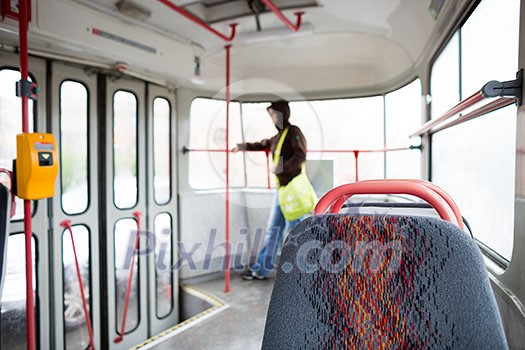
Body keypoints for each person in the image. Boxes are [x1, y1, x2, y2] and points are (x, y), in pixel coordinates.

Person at [232, 100, 309, 280]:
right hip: (283, 191)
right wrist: (242, 146)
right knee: (274, 230)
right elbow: (263, 144)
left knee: (295, 232)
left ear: (282, 114)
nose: (272, 118)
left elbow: (301, 155)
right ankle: (261, 269)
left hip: (293, 191)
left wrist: (282, 168)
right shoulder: (279, 136)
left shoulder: (293, 132)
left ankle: (301, 273)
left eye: (274, 114)